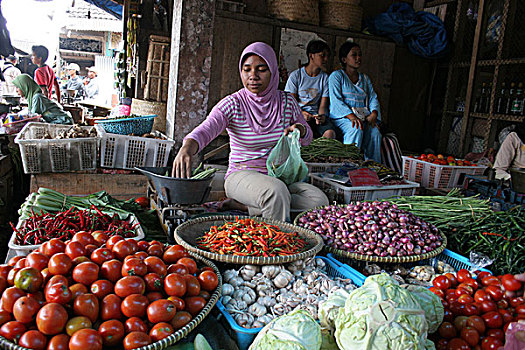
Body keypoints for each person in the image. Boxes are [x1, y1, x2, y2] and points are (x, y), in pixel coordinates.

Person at [172, 42, 328, 221]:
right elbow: (207, 128)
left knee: (318, 201)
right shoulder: (233, 103)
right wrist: (187, 148)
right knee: (275, 192)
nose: (253, 76)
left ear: (273, 72)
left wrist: (299, 130)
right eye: (247, 70)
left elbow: (308, 137)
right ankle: (275, 244)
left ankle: (246, 207)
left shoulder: (287, 102)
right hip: (241, 177)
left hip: (279, 177)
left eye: (261, 69)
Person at [328, 42, 382, 163]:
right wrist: (352, 117)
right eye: (354, 55)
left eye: (360, 55)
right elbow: (336, 101)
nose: (358, 58)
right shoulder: (336, 76)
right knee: (355, 129)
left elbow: (373, 97)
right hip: (343, 118)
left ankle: (373, 167)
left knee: (375, 133)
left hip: (363, 117)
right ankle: (349, 165)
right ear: (344, 59)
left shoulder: (365, 78)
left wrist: (374, 113)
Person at [285, 40, 336, 139]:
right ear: (311, 56)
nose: (326, 59)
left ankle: (320, 154)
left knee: (330, 133)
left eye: (327, 56)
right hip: (298, 115)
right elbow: (291, 103)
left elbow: (322, 105)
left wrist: (321, 117)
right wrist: (301, 114)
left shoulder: (324, 78)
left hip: (315, 116)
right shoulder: (296, 76)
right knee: (298, 132)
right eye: (322, 55)